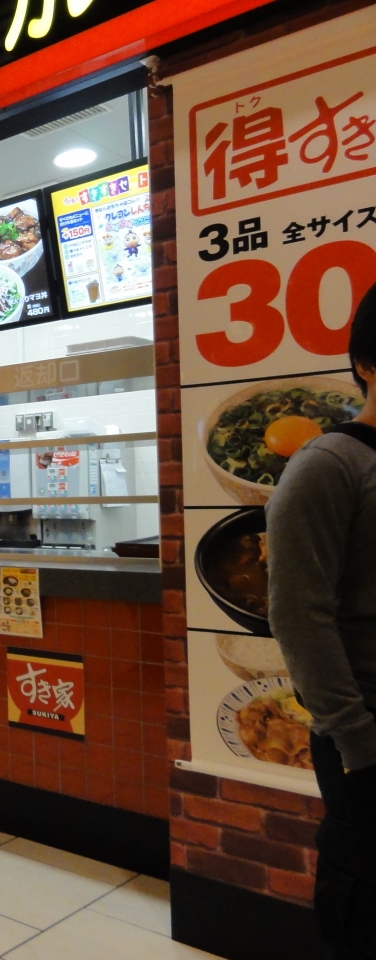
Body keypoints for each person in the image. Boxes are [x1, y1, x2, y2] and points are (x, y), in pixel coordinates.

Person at [267, 283, 376, 958]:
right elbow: (298, 616)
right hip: (367, 736)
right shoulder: (328, 464)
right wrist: (359, 743)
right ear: (365, 363)